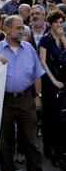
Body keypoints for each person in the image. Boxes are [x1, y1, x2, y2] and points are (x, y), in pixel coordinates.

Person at [0, 15, 45, 171]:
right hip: (3, 100)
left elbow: (37, 74)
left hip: (26, 98)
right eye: (18, 28)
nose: (22, 31)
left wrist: (38, 97)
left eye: (22, 27)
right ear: (7, 29)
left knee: (31, 141)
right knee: (4, 142)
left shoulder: (29, 48)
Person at [38, 10, 66, 167]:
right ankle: (53, 151)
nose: (59, 25)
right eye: (56, 22)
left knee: (62, 118)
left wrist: (62, 37)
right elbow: (43, 62)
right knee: (52, 118)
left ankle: (61, 150)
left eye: (61, 22)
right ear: (50, 23)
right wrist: (53, 80)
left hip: (63, 80)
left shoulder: (62, 38)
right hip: (50, 82)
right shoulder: (45, 40)